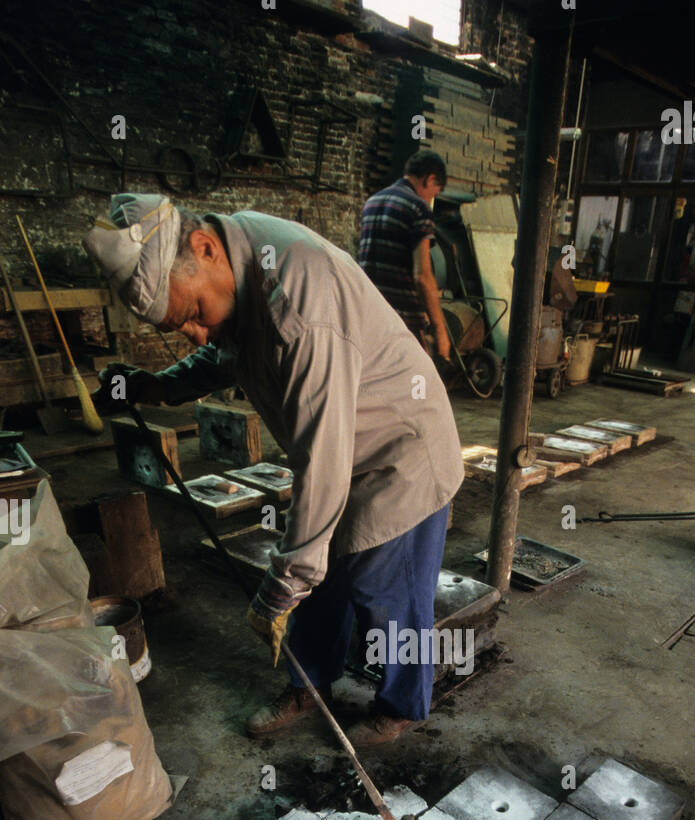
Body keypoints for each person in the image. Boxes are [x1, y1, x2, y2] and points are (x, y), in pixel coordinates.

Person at [84, 193, 463, 744]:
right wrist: (158, 386)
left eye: (191, 314)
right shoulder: (236, 265)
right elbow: (224, 352)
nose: (196, 333)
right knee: (315, 574)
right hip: (341, 444)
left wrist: (281, 586)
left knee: (387, 590)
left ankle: (403, 703)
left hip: (399, 449)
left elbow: (322, 457)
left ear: (204, 248)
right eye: (180, 326)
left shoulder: (300, 305)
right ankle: (308, 686)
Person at [359, 151, 451, 361]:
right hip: (402, 323)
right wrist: (440, 331)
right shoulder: (418, 208)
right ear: (429, 179)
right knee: (417, 386)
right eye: (434, 193)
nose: (431, 199)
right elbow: (422, 276)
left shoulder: (372, 202)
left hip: (369, 314)